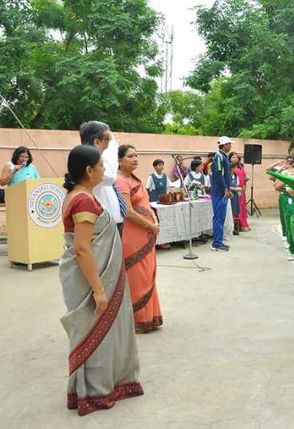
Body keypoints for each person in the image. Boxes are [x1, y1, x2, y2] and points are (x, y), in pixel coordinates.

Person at [59, 145, 142, 416]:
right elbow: (82, 248)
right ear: (88, 170)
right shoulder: (83, 200)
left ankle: (103, 384)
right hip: (91, 277)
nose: (104, 170)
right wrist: (98, 290)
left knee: (100, 330)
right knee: (96, 331)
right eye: (101, 166)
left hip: (94, 273)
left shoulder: (79, 194)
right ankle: (94, 392)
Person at [116, 145, 163, 333]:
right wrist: (151, 226)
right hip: (133, 234)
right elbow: (128, 211)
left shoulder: (134, 178)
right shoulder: (120, 181)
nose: (135, 159)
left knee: (148, 273)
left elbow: (145, 203)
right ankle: (138, 320)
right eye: (130, 156)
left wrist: (154, 218)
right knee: (137, 276)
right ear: (119, 160)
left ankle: (150, 316)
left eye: (136, 155)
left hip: (146, 233)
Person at [79, 121, 126, 235]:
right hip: (102, 226)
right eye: (108, 139)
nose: (111, 142)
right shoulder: (88, 160)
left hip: (112, 222)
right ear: (97, 141)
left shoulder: (101, 158)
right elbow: (110, 176)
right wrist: (113, 145)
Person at [210, 136, 233, 251]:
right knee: (218, 217)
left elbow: (226, 176)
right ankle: (217, 243)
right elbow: (219, 174)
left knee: (221, 217)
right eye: (229, 144)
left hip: (223, 191)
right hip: (219, 192)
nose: (230, 146)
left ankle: (219, 241)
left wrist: (228, 189)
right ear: (224, 145)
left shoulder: (224, 156)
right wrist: (225, 189)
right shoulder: (218, 157)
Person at [230, 152, 250, 231]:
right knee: (237, 207)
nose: (235, 159)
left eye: (236, 157)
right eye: (233, 157)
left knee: (242, 207)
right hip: (234, 189)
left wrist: (244, 184)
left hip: (241, 189)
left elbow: (245, 176)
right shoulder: (229, 167)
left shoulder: (240, 166)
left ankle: (243, 224)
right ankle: (239, 225)